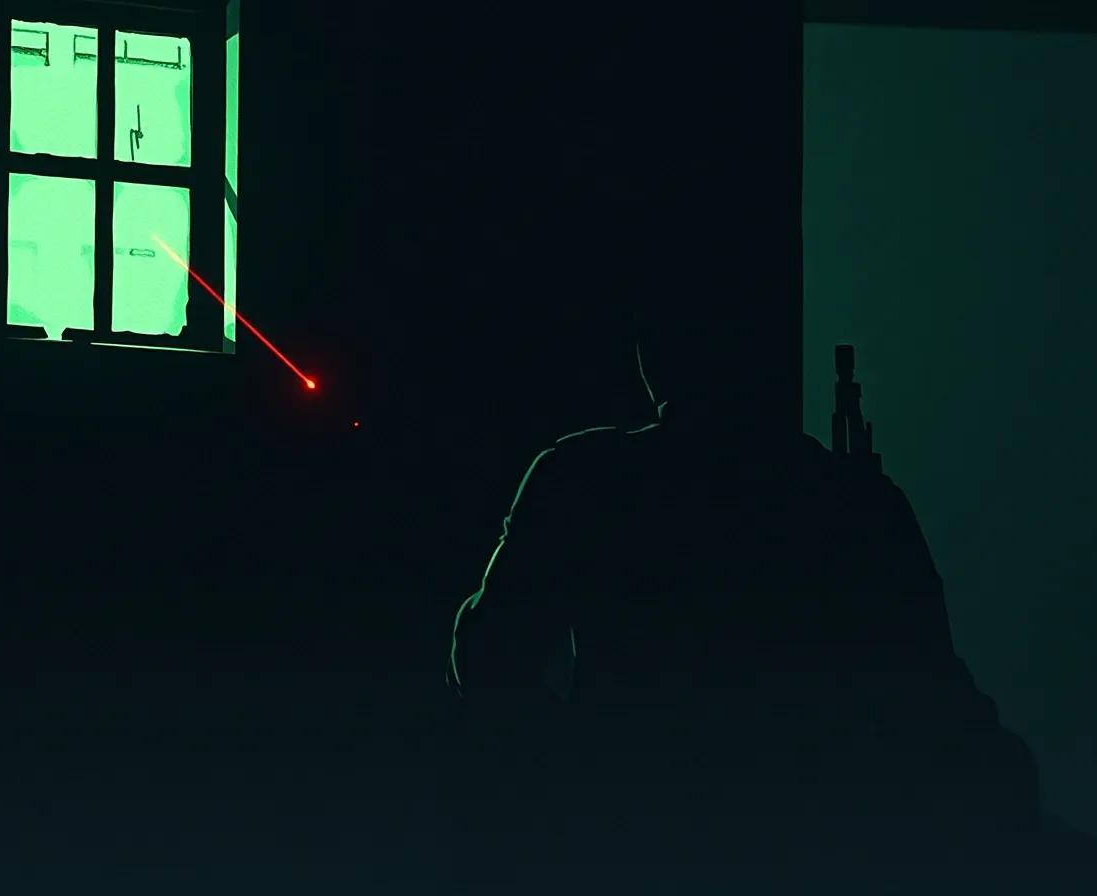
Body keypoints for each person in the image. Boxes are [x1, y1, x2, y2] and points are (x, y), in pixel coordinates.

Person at [444, 306, 1044, 886]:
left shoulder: (582, 476)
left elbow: (487, 658)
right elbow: (939, 712)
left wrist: (583, 784)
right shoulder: (856, 502)